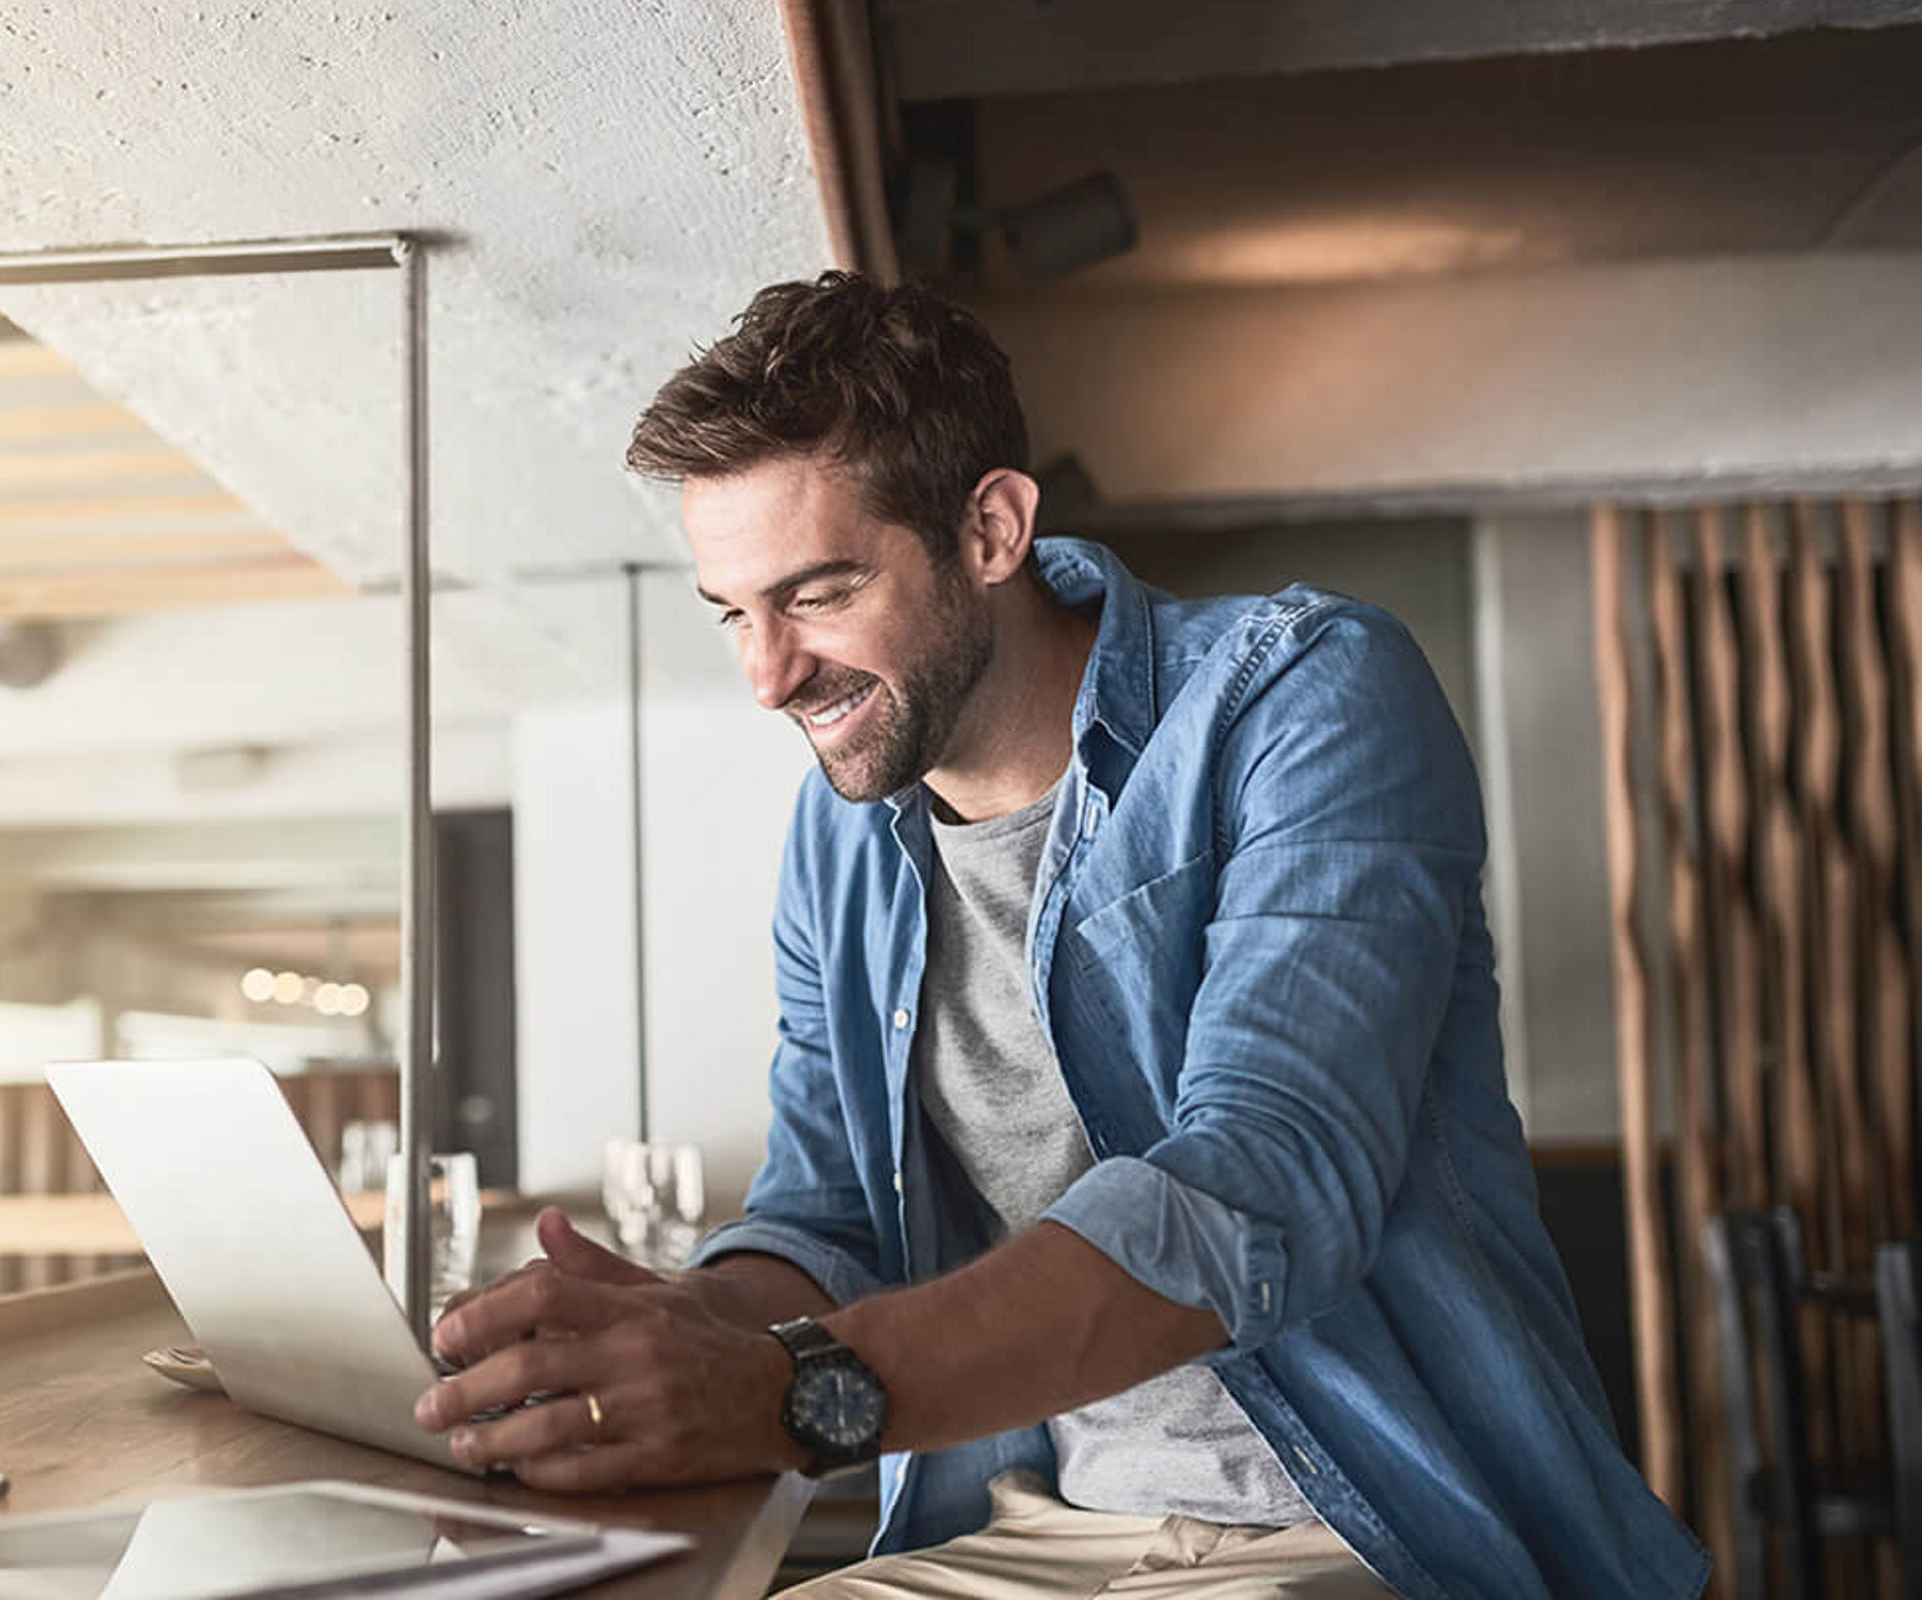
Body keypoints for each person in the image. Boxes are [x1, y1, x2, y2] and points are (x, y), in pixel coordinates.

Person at [413, 272, 1708, 1599]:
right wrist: (678, 1325)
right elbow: (829, 1212)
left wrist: (787, 1392)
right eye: (735, 612)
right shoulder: (841, 835)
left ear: (989, 528)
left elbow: (1261, 1180)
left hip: (1355, 1530)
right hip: (1024, 1523)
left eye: (818, 592)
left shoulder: (1306, 697)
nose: (767, 675)